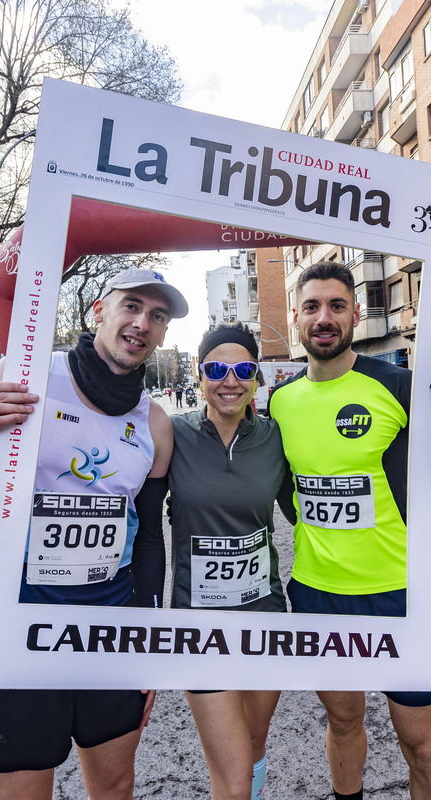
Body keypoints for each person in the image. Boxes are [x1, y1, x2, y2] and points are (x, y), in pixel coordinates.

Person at [0, 268, 188, 800]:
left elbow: (151, 538)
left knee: (114, 786)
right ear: (99, 312)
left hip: (106, 631)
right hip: (19, 628)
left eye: (157, 316)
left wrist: (147, 637)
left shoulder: (154, 423)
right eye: (131, 306)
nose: (142, 323)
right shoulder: (22, 377)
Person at [268, 262, 431, 800]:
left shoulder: (396, 384)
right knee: (343, 723)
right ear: (295, 317)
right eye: (313, 306)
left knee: (424, 746)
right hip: (320, 596)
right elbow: (287, 493)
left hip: (400, 595)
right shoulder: (279, 401)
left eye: (337, 306)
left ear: (356, 314)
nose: (325, 318)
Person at [169, 324, 293, 800]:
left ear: (257, 377)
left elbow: (304, 512)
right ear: (199, 376)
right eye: (216, 369)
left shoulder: (275, 439)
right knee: (233, 774)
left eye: (244, 369)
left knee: (255, 744)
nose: (230, 380)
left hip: (264, 614)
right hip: (198, 625)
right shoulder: (173, 432)